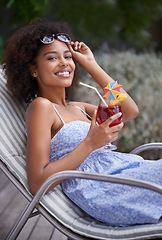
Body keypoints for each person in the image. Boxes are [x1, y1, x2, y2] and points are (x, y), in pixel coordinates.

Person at [3, 18, 162, 227]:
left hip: (123, 174)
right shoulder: (42, 107)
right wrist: (90, 143)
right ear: (33, 69)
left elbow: (129, 110)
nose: (64, 62)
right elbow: (38, 181)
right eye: (52, 58)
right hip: (105, 189)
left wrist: (91, 64)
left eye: (68, 57)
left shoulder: (78, 107)